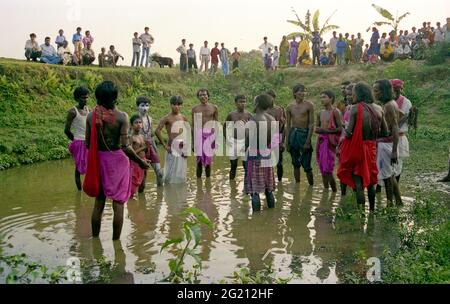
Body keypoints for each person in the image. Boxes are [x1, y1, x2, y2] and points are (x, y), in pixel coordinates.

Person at [86, 81, 149, 240]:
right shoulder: (122, 117)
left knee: (99, 203)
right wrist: (141, 162)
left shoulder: (90, 116)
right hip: (117, 163)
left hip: (99, 160)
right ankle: (116, 244)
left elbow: (87, 143)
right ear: (115, 98)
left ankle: (95, 240)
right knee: (119, 203)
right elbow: (125, 147)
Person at [337, 82, 382, 211]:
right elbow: (384, 131)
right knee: (372, 181)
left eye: (354, 93)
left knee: (359, 184)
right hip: (372, 147)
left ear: (359, 94)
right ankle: (372, 211)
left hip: (357, 148)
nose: (352, 95)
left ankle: (361, 214)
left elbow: (349, 133)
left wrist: (344, 127)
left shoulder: (356, 108)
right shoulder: (378, 108)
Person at [373, 79, 402, 207]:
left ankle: (390, 204)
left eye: (376, 90)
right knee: (390, 174)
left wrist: (395, 150)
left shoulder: (389, 105)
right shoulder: (391, 103)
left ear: (384, 91)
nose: (374, 93)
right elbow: (401, 115)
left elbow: (395, 126)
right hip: (388, 143)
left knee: (387, 176)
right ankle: (399, 201)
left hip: (386, 144)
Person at [244, 94, 276, 211]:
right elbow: (274, 139)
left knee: (255, 190)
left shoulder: (254, 119)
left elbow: (248, 140)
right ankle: (272, 214)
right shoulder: (271, 119)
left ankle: (256, 221)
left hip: (255, 155)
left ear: (257, 104)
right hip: (267, 154)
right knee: (268, 188)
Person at [155, 96, 189, 184]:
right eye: (174, 104)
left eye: (179, 105)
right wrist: (164, 145)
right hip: (171, 147)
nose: (177, 107)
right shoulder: (167, 118)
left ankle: (178, 194)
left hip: (181, 147)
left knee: (181, 172)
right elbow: (157, 131)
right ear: (171, 105)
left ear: (181, 106)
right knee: (170, 170)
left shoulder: (183, 117)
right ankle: (168, 190)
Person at [286, 84, 314, 185]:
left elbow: (311, 124)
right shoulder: (290, 107)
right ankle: (297, 186)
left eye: (304, 91)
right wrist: (287, 142)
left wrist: (307, 141)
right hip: (294, 134)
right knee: (295, 163)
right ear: (295, 93)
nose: (303, 93)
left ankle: (311, 186)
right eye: (300, 91)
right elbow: (288, 126)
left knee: (307, 166)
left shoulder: (309, 105)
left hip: (304, 134)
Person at [315, 91, 342, 192]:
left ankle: (334, 191)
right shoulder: (320, 113)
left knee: (328, 170)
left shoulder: (335, 112)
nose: (322, 99)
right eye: (321, 97)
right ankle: (326, 191)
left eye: (324, 97)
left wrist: (325, 131)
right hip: (321, 141)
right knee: (322, 168)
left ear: (331, 98)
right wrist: (318, 130)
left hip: (330, 143)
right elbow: (317, 127)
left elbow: (340, 129)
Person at [65, 86, 90, 190]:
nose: (85, 100)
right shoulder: (72, 111)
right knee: (78, 170)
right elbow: (66, 130)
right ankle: (79, 192)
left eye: (86, 97)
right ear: (76, 98)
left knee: (90, 167)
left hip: (88, 142)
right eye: (83, 98)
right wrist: (75, 141)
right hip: (79, 142)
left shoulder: (88, 110)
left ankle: (89, 189)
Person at [135, 96, 163, 189]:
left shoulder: (150, 119)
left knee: (159, 173)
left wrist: (155, 149)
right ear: (137, 107)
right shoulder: (135, 120)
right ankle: (141, 196)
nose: (145, 108)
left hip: (150, 147)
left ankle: (160, 196)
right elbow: (131, 137)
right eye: (142, 106)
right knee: (142, 177)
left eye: (147, 105)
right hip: (140, 149)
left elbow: (151, 135)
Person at [192, 89, 219, 178]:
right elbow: (193, 126)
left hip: (210, 136)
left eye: (205, 94)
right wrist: (193, 142)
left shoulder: (214, 108)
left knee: (208, 162)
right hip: (199, 136)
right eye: (201, 95)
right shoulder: (195, 109)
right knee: (199, 161)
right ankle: (198, 184)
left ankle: (208, 183)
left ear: (208, 96)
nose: (203, 96)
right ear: (198, 97)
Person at [224, 95, 252, 180]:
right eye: (240, 102)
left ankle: (246, 187)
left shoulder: (248, 115)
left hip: (245, 142)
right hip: (233, 142)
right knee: (233, 166)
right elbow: (225, 127)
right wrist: (227, 139)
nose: (243, 104)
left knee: (246, 166)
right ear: (236, 103)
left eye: (244, 101)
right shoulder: (231, 115)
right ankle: (232, 189)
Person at [391, 79, 412, 184]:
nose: (395, 92)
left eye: (397, 89)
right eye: (393, 89)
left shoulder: (406, 102)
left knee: (398, 164)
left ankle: (396, 187)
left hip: (399, 137)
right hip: (387, 138)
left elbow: (400, 122)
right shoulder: (387, 101)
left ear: (401, 89)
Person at [266, 90, 286, 182]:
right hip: (265, 138)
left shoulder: (279, 109)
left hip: (276, 137)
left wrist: (282, 142)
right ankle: (269, 181)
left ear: (274, 98)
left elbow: (283, 127)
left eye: (271, 97)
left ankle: (280, 181)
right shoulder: (263, 110)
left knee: (279, 163)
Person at [129, 114, 148, 198]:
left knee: (142, 186)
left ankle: (141, 207)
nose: (139, 124)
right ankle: (131, 207)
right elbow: (130, 153)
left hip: (143, 162)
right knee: (133, 187)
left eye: (140, 122)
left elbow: (144, 150)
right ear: (131, 125)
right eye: (136, 122)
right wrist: (143, 147)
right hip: (135, 163)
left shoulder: (142, 136)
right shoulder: (130, 138)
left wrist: (146, 158)